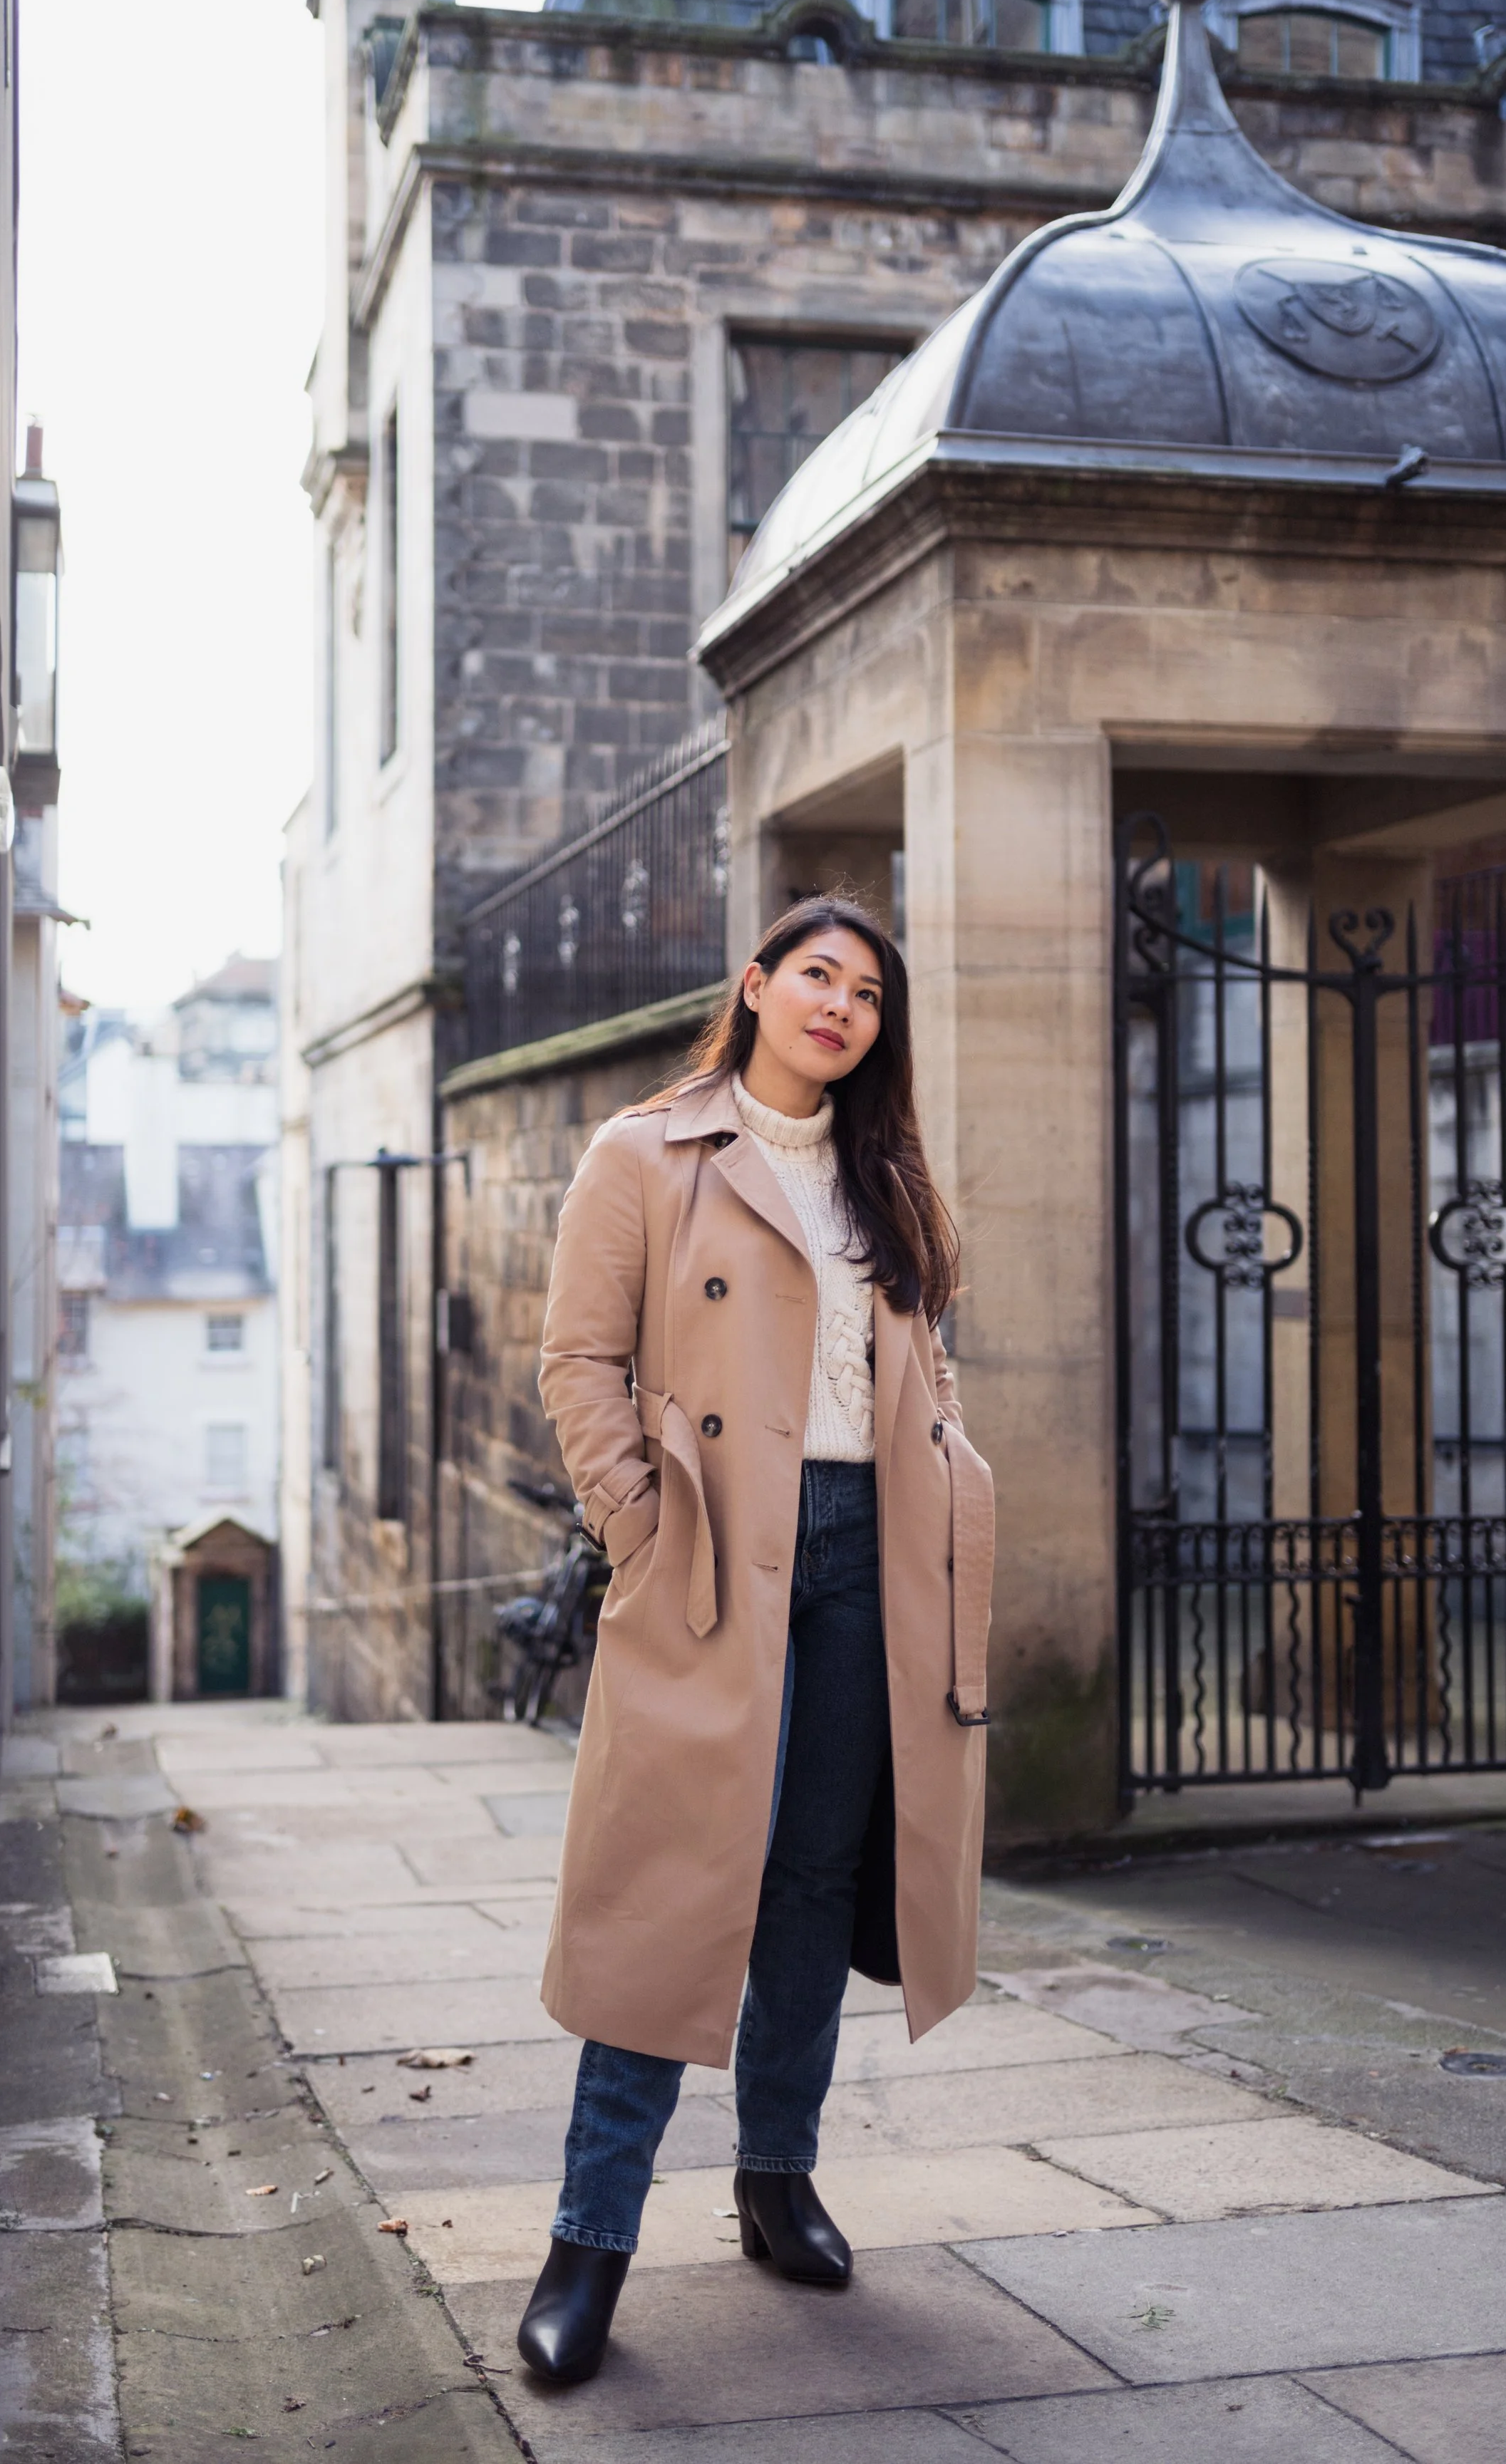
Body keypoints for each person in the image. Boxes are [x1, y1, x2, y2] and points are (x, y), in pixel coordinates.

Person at [515, 895, 996, 2386]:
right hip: (717, 1557)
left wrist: (949, 1475)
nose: (839, 1007)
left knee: (809, 1880)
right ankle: (588, 2241)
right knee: (666, 1887)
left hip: (874, 1556)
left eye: (865, 992)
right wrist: (641, 1526)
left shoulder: (891, 1178)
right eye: (816, 977)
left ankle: (773, 2179)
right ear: (757, 986)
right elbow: (577, 1360)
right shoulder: (644, 1153)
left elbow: (922, 1367)